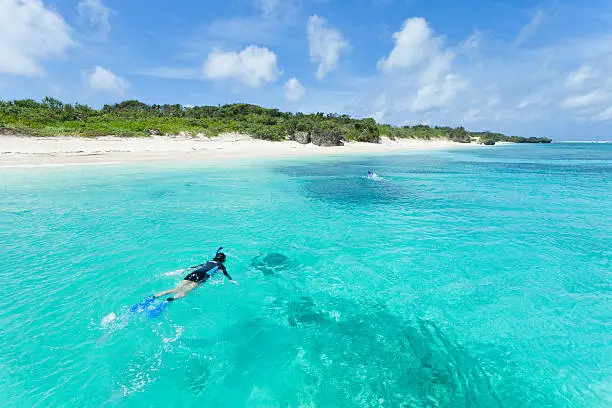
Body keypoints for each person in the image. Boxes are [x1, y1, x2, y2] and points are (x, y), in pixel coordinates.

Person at [153, 251, 238, 302]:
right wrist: (232, 280)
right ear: (223, 260)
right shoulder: (221, 266)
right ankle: (170, 300)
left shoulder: (209, 261)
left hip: (194, 273)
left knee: (177, 288)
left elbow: (197, 266)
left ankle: (156, 296)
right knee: (186, 291)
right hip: (201, 276)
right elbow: (226, 275)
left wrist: (185, 270)